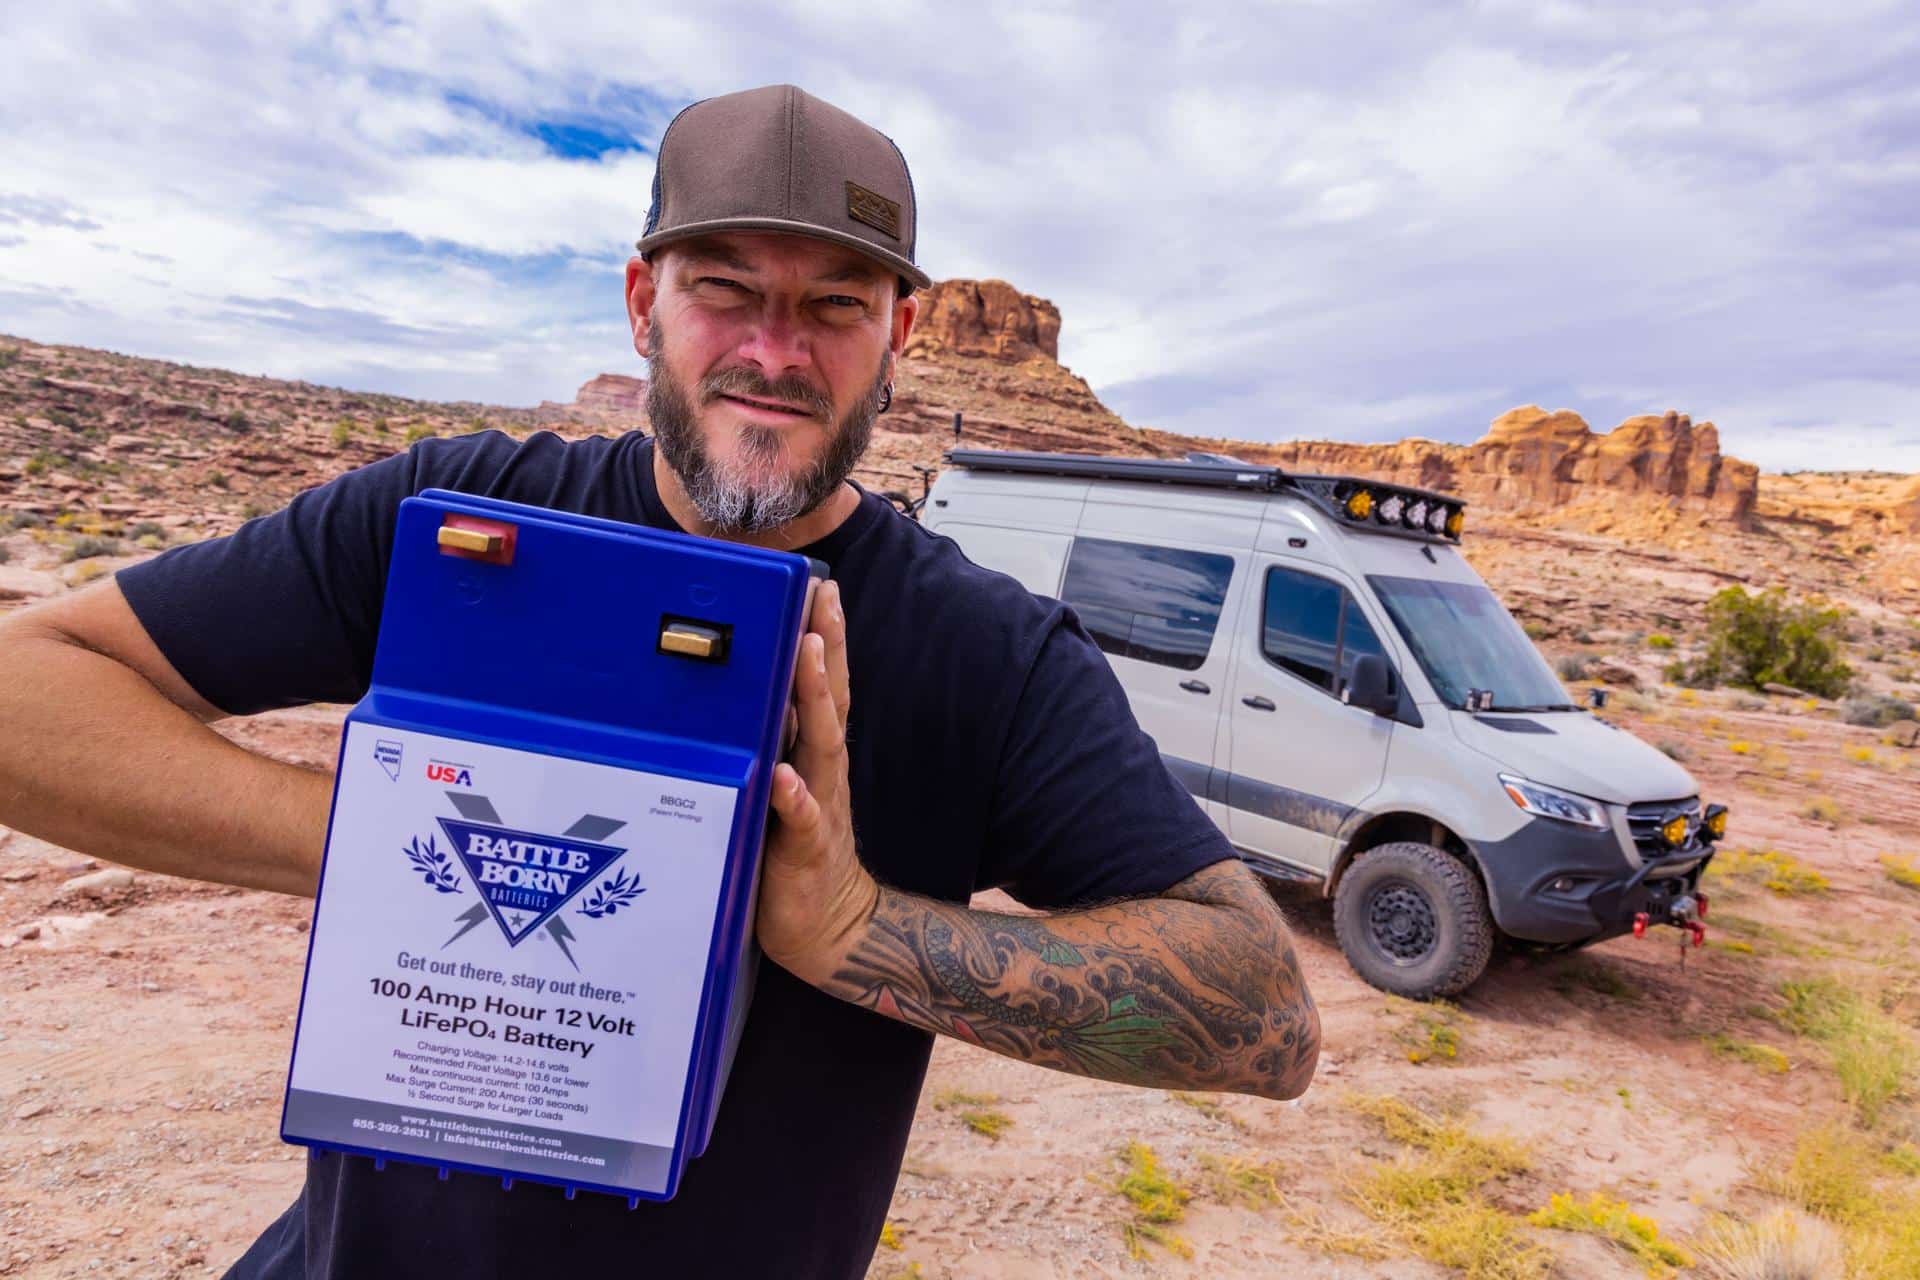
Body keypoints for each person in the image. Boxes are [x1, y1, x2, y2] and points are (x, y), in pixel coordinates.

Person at [0, 84, 1318, 1278]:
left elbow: (1265, 1014)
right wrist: (392, 840)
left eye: (836, 306)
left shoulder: (988, 652)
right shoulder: (454, 518)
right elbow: (28, 688)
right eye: (725, 289)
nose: (776, 352)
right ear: (643, 303)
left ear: (900, 335)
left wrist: (851, 930)